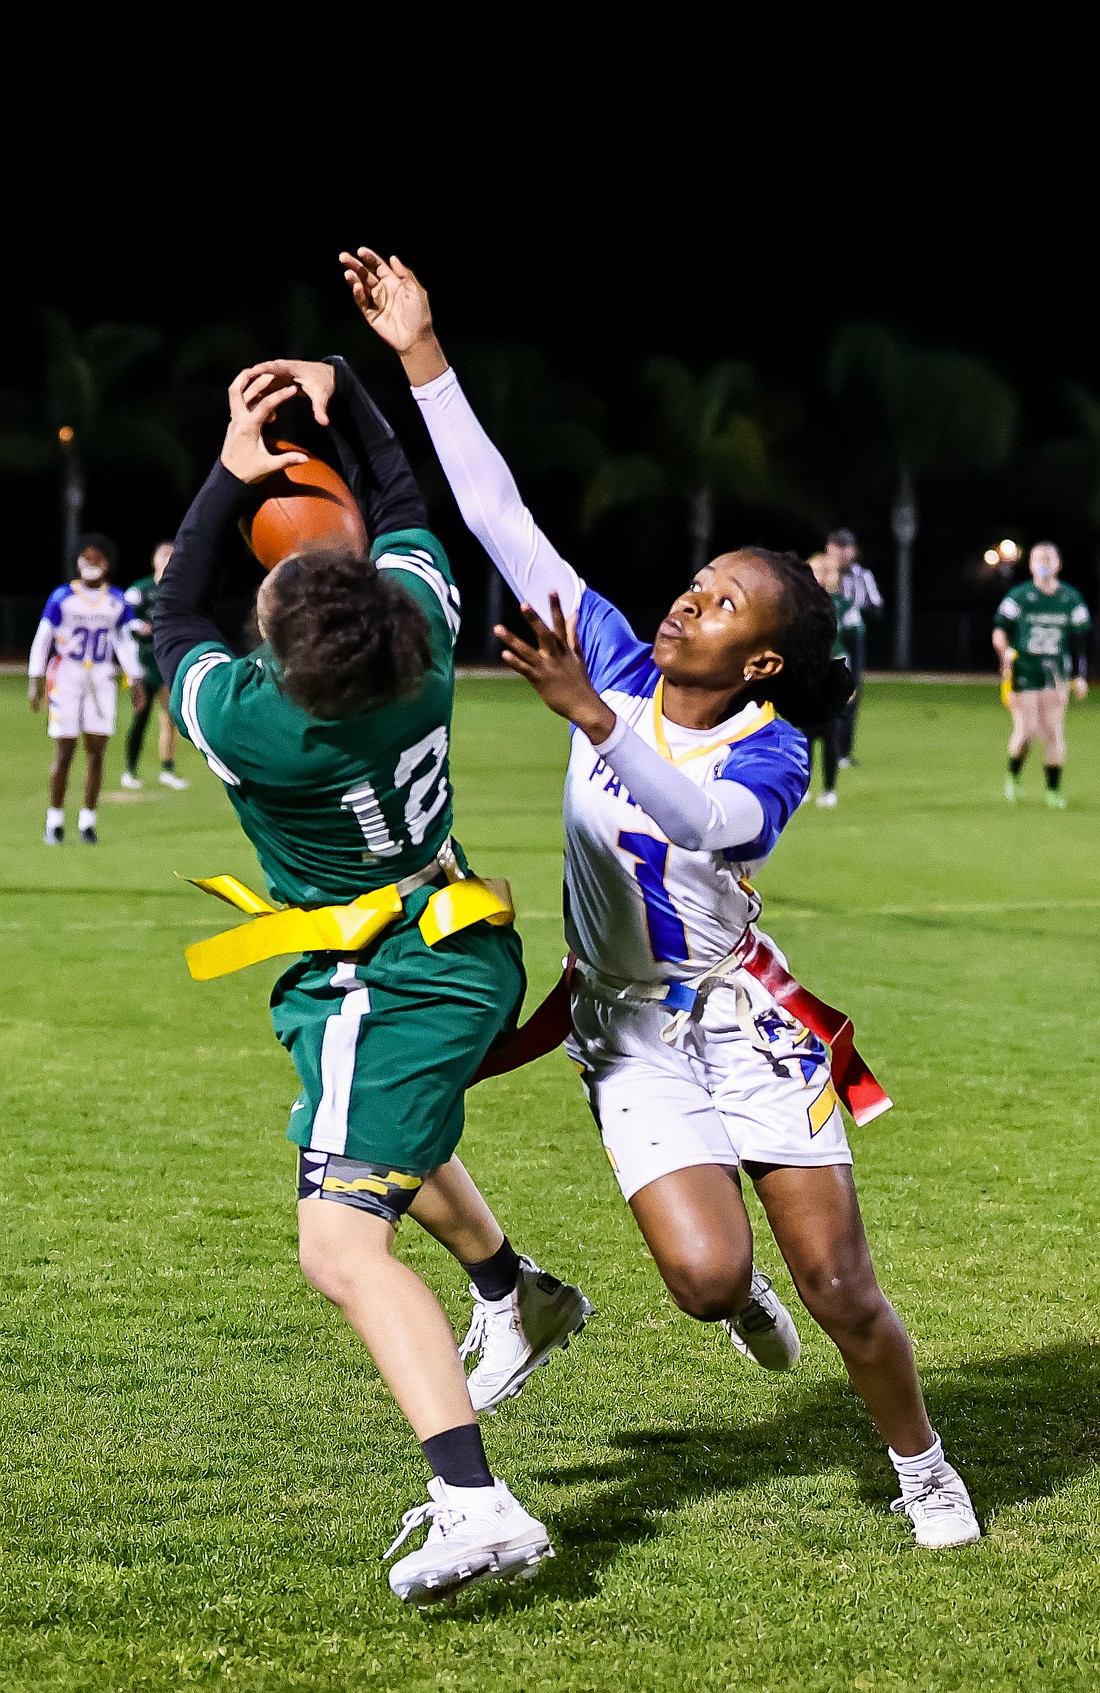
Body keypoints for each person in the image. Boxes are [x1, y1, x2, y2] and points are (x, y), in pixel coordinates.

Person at [347, 245, 981, 1551]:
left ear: (761, 660)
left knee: (842, 1286)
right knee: (704, 1278)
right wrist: (420, 351)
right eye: (700, 579)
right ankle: (741, 1304)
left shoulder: (768, 751)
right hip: (626, 1028)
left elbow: (706, 825)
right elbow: (501, 516)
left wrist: (592, 720)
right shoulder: (619, 661)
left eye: (723, 599)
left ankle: (924, 1471)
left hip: (744, 1019)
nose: (690, 597)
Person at [152, 354, 592, 1607]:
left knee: (340, 1246)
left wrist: (226, 474)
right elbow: (404, 508)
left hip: (380, 979)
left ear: (280, 652)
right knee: (374, 1134)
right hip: (455, 937)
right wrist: (347, 386)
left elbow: (172, 616)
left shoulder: (259, 725)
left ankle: (476, 1501)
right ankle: (515, 1293)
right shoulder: (424, 640)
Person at [27, 533, 147, 843]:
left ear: (108, 563)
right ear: (78, 560)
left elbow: (124, 642)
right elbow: (43, 637)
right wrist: (35, 678)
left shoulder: (116, 599)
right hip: (67, 674)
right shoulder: (62, 596)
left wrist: (135, 679)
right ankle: (54, 820)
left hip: (101, 676)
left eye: (97, 558)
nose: (91, 562)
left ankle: (87, 821)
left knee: (96, 749)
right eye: (87, 557)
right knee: (64, 749)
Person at [992, 541, 1091, 808]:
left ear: (1059, 563)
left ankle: (1053, 791)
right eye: (1038, 558)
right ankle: (1013, 776)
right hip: (1024, 668)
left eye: (1049, 558)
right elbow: (1000, 629)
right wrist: (1005, 653)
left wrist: (1080, 675)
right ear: (1031, 564)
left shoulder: (1070, 598)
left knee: (1054, 732)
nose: (1044, 563)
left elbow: (1080, 639)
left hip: (1055, 671)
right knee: (1026, 731)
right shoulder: (1019, 596)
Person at [121, 541, 190, 790]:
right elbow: (122, 619)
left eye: (173, 554)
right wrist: (139, 627)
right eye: (164, 554)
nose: (168, 558)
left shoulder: (179, 590)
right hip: (144, 663)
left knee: (171, 717)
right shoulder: (141, 589)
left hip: (167, 662)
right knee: (141, 717)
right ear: (154, 559)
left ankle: (167, 769)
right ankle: (130, 770)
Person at [804, 551, 859, 808]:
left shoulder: (842, 604)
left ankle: (828, 790)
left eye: (826, 571)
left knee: (829, 733)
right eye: (816, 571)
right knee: (804, 734)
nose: (821, 577)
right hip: (808, 673)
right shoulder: (800, 604)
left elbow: (851, 643)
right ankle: (803, 787)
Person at [826, 528, 883, 767]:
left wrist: (854, 612)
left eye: (846, 547)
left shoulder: (862, 575)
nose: (842, 552)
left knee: (850, 691)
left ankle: (842, 751)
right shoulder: (819, 570)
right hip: (824, 637)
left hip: (851, 637)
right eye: (837, 546)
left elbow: (876, 606)